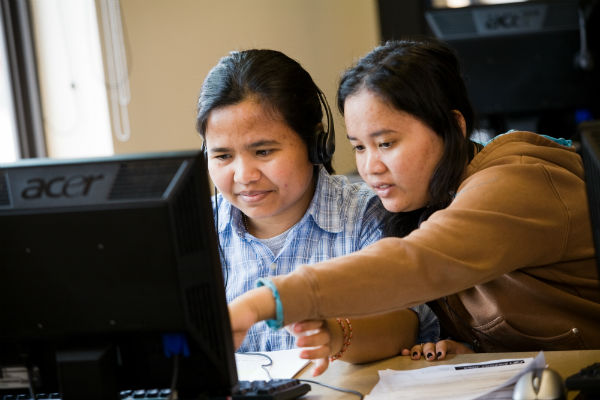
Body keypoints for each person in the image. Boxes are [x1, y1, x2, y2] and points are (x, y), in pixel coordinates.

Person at [228, 38, 600, 366]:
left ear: (453, 126)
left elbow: (416, 262)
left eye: (386, 143)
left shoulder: (518, 181)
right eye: (359, 146)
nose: (370, 167)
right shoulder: (427, 201)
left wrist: (264, 302)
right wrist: (476, 348)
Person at [195, 48, 439, 362]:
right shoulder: (196, 232)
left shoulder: (367, 214)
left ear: (316, 144)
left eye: (264, 152)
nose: (244, 175)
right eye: (222, 156)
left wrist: (335, 335)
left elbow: (406, 322)